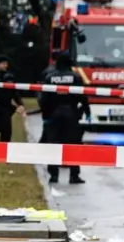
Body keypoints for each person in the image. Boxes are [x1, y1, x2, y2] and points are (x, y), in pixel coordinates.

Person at [37, 53, 87, 184]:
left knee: (53, 144)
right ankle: (74, 175)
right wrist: (85, 111)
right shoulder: (75, 77)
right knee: (73, 145)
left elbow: (44, 98)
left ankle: (53, 175)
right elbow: (82, 96)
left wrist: (46, 114)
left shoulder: (50, 77)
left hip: (54, 113)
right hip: (71, 113)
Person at [0, 56, 23, 143]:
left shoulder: (9, 76)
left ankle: (4, 155)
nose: (6, 66)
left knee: (6, 133)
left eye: (6, 64)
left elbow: (14, 92)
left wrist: (20, 104)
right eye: (4, 64)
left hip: (6, 109)